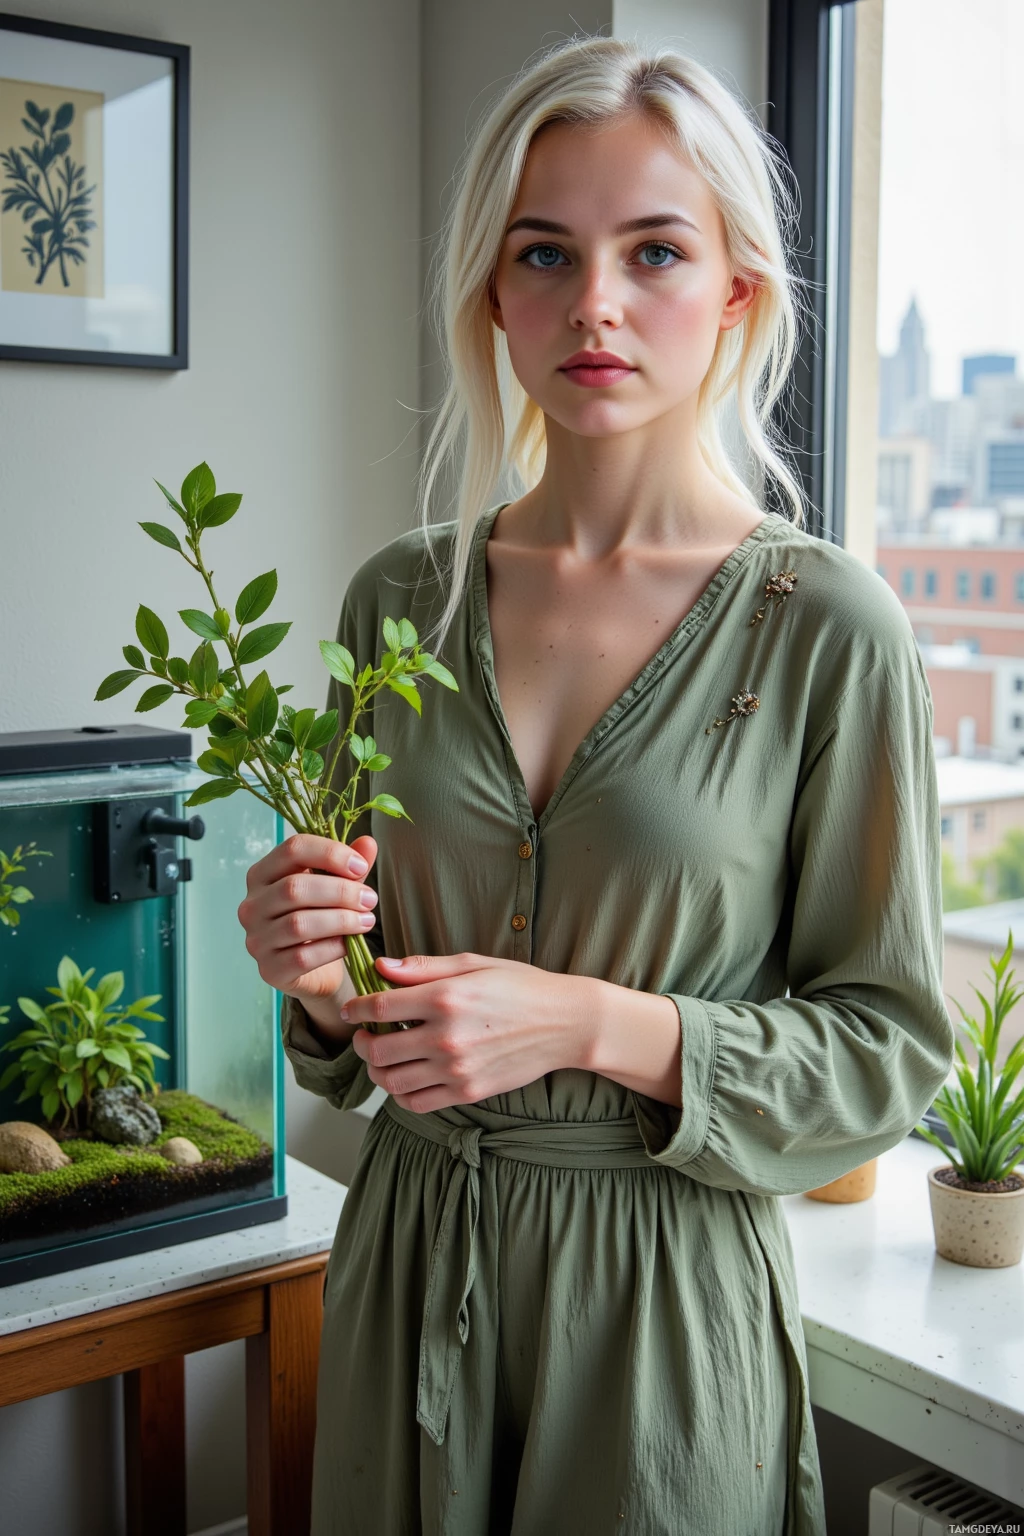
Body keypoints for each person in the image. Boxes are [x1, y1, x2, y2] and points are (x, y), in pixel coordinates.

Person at [237, 34, 954, 1536]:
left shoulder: (828, 626)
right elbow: (350, 1039)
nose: (597, 305)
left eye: (657, 252)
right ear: (495, 296)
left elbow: (886, 1056)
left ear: (738, 294)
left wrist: (588, 1021)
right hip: (409, 1265)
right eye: (546, 254)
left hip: (663, 1316)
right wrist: (311, 974)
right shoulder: (397, 603)